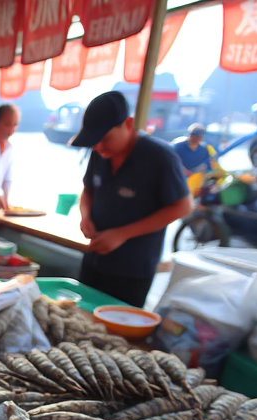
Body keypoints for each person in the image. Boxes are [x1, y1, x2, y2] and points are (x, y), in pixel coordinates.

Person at [70, 91, 192, 308]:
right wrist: (85, 216)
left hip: (133, 269)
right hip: (94, 258)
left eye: (105, 139)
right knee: (79, 318)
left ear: (128, 124)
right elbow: (88, 190)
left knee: (117, 333)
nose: (99, 147)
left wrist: (122, 234)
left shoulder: (160, 156)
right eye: (95, 142)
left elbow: (183, 206)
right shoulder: (100, 153)